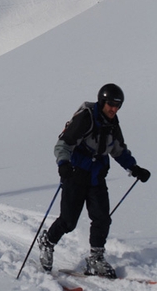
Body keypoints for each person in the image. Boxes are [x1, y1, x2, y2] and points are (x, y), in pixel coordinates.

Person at [38, 84, 151, 279]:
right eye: (111, 105)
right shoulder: (86, 118)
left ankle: (96, 258)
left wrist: (134, 168)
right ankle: (47, 242)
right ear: (102, 101)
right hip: (75, 173)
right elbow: (63, 144)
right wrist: (63, 164)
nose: (114, 109)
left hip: (97, 175)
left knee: (102, 218)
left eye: (118, 106)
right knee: (68, 221)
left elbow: (118, 150)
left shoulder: (113, 124)